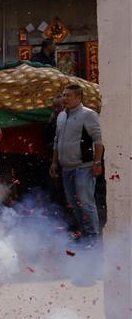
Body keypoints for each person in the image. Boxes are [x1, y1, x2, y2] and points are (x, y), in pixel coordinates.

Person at [49, 84, 103, 241]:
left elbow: (98, 140)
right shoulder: (61, 116)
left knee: (86, 202)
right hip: (66, 168)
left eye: (68, 96)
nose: (65, 98)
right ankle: (84, 233)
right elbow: (56, 140)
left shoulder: (89, 115)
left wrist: (97, 162)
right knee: (73, 203)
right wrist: (54, 163)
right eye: (64, 95)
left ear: (79, 98)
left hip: (83, 167)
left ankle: (93, 237)